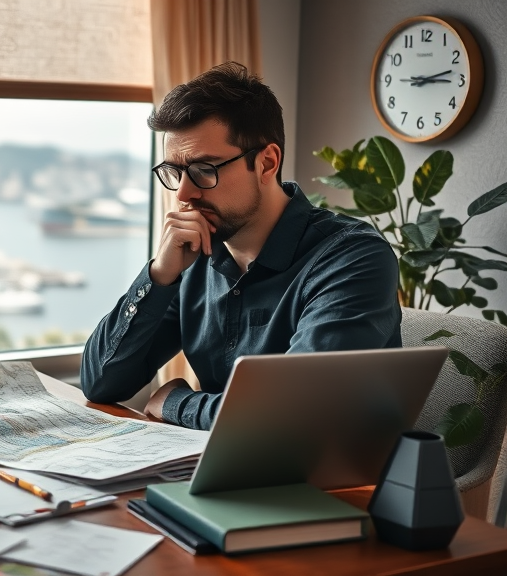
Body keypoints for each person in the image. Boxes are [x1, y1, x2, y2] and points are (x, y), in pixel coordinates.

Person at [80, 62, 402, 431]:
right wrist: (159, 275)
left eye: (204, 168)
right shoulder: (194, 255)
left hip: (324, 483)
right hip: (212, 468)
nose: (184, 194)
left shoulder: (353, 258)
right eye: (174, 172)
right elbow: (100, 383)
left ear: (266, 162)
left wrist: (176, 404)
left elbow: (295, 414)